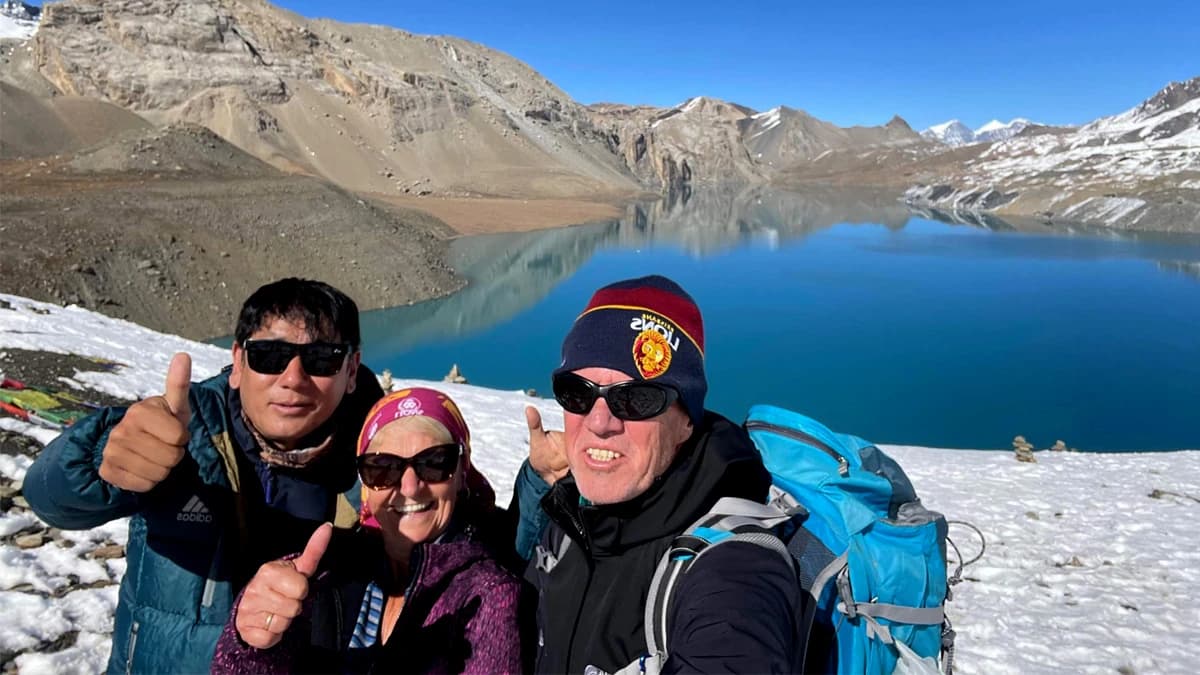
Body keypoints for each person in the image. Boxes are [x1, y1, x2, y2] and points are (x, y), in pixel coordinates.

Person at [23, 278, 384, 674]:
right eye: (269, 355)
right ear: (237, 362)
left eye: (321, 359)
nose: (293, 378)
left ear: (351, 370)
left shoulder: (388, 456)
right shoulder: (180, 430)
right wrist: (99, 459)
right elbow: (51, 500)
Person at [514, 274, 806, 673]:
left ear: (687, 421)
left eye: (635, 399)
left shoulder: (730, 568)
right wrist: (536, 483)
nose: (599, 421)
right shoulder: (572, 515)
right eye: (577, 393)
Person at [210, 387, 523, 674]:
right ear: (365, 486)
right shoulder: (319, 575)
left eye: (435, 462)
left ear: (461, 473)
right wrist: (252, 645)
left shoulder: (490, 594)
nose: (410, 487)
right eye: (383, 467)